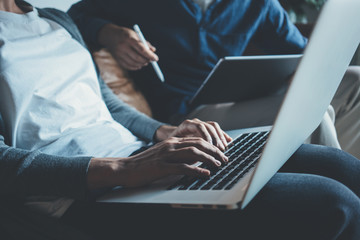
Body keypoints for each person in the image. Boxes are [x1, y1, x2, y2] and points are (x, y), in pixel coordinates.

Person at [1, 1, 360, 239]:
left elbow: (106, 103)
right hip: (84, 187)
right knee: (333, 203)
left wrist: (167, 133)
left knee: (339, 165)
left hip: (139, 153)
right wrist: (120, 170)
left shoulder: (54, 19)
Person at [68, 0, 360, 158]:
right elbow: (75, 14)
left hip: (247, 95)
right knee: (313, 113)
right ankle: (342, 189)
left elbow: (300, 53)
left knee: (355, 80)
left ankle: (348, 164)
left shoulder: (256, 4)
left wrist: (301, 72)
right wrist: (109, 33)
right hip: (191, 111)